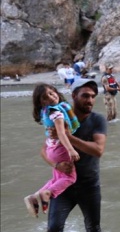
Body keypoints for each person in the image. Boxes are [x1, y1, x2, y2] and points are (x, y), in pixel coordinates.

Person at [42, 78, 107, 232]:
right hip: (63, 185)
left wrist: (67, 136)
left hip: (89, 185)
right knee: (53, 230)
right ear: (74, 96)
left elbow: (98, 150)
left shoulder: (97, 120)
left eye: (93, 96)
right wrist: (56, 164)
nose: (90, 100)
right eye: (85, 96)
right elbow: (44, 150)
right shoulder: (58, 116)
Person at [24, 84, 81, 217]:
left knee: (56, 178)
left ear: (56, 91)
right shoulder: (57, 112)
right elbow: (61, 133)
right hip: (60, 149)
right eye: (45, 97)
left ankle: (34, 197)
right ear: (41, 102)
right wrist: (71, 149)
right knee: (70, 177)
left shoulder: (46, 111)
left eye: (51, 93)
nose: (51, 97)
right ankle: (48, 193)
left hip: (51, 148)